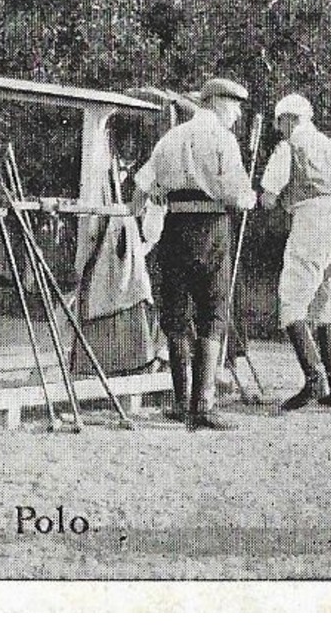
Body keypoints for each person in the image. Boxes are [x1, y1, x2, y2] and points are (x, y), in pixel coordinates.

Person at [131, 76, 256, 430]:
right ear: (215, 102)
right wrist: (249, 199)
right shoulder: (223, 140)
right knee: (213, 311)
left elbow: (140, 189)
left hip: (174, 230)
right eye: (233, 106)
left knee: (175, 312)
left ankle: (180, 402)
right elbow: (236, 193)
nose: (236, 114)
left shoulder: (171, 138)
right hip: (211, 229)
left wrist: (140, 222)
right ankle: (202, 406)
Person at [259, 93, 331, 411]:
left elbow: (268, 197)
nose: (278, 129)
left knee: (291, 304)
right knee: (324, 307)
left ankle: (314, 380)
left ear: (287, 120)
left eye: (279, 122)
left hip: (311, 222)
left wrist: (271, 198)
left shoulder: (288, 148)